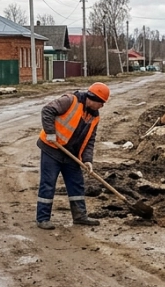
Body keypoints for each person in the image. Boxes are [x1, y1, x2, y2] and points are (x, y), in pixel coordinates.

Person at [36, 82, 110, 229]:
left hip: (71, 154)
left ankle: (80, 216)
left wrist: (88, 160)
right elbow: (47, 110)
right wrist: (50, 132)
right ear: (93, 98)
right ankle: (42, 219)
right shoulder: (70, 100)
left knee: (76, 184)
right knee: (48, 183)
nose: (102, 106)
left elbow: (90, 140)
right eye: (101, 103)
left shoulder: (94, 117)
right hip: (52, 149)